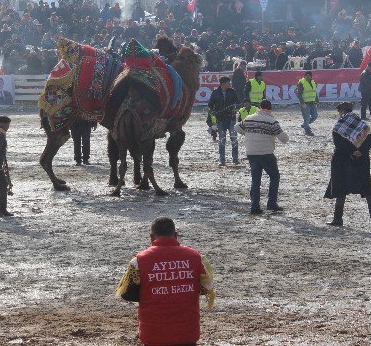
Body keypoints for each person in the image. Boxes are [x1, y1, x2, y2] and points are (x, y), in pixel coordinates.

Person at [116, 217, 215, 346]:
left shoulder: (139, 261)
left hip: (153, 334)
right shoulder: (196, 257)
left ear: (152, 237)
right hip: (187, 334)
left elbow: (126, 293)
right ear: (176, 235)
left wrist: (154, 292)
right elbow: (207, 287)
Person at [324, 102, 371, 227]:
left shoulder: (338, 126)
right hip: (361, 161)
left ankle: (338, 219)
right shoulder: (363, 125)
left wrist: (351, 152)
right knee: (367, 187)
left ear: (342, 111)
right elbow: (370, 140)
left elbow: (338, 144)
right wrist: (360, 151)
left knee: (341, 189)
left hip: (343, 161)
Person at [237, 99, 289, 214]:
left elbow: (237, 127)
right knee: (274, 177)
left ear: (259, 107)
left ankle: (255, 205)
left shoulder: (249, 118)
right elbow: (284, 139)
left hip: (251, 153)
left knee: (256, 180)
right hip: (266, 153)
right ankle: (271, 203)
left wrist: (248, 133)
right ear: (270, 109)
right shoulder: (271, 121)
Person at [208, 76, 239, 166]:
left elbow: (238, 101)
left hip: (231, 119)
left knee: (234, 139)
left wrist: (235, 107)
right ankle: (222, 160)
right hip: (220, 120)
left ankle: (235, 158)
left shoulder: (232, 92)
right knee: (222, 140)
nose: (229, 84)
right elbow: (210, 105)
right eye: (228, 83)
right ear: (223, 83)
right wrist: (212, 112)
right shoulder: (215, 93)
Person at [295, 70, 319, 136]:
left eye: (309, 75)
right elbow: (299, 94)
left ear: (311, 76)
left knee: (315, 116)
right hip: (305, 103)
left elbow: (314, 92)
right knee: (306, 117)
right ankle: (307, 130)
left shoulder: (313, 82)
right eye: (306, 75)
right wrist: (302, 103)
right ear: (305, 76)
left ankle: (305, 124)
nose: (308, 76)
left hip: (312, 102)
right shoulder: (301, 82)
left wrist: (317, 101)